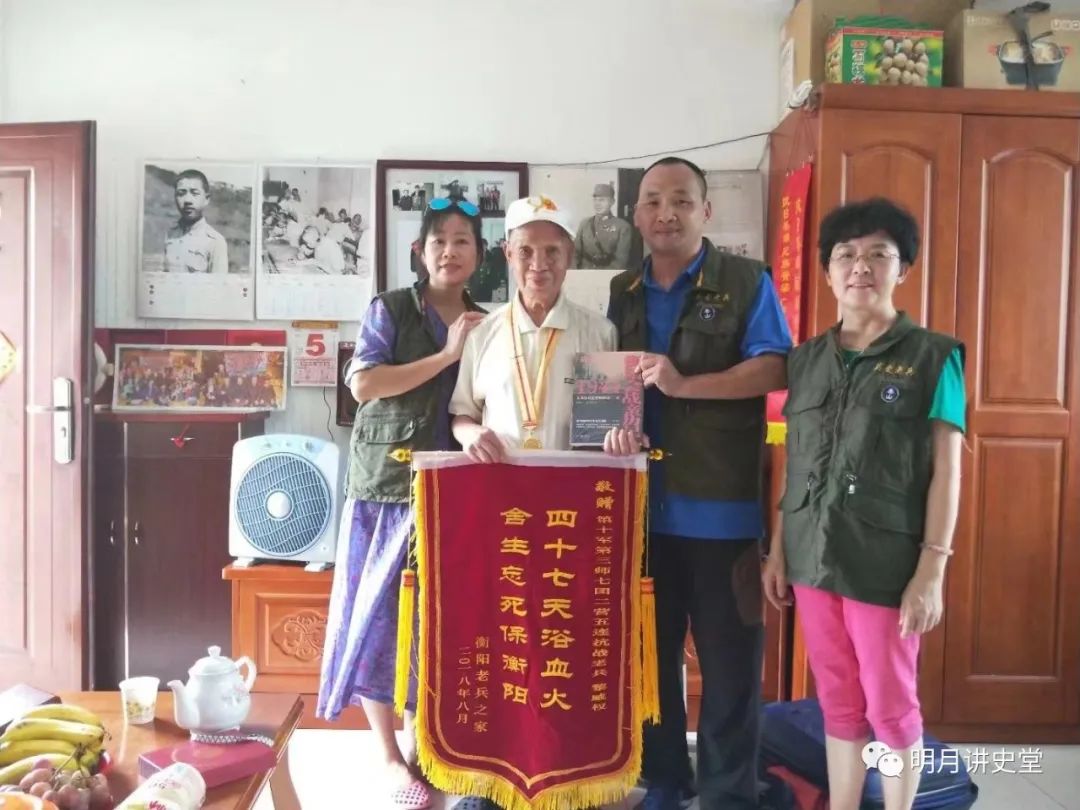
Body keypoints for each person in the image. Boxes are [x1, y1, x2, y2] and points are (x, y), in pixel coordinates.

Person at [762, 198, 965, 810]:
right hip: (811, 557)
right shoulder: (805, 360)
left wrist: (932, 569)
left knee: (891, 703)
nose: (861, 266)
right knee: (839, 700)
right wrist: (779, 551)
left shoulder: (934, 356)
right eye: (846, 254)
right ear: (827, 270)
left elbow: (947, 469)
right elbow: (795, 460)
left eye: (879, 254)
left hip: (884, 562)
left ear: (903, 269)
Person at [605, 157, 791, 810]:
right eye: (654, 200)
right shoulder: (621, 290)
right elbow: (604, 381)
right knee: (651, 659)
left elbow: (774, 366)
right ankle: (664, 780)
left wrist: (686, 385)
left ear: (705, 211)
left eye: (681, 200)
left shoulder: (745, 281)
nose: (667, 213)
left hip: (721, 510)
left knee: (729, 663)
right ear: (636, 214)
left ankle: (727, 793)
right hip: (639, 511)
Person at [317, 197, 487, 810]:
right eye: (439, 240)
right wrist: (445, 357)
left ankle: (424, 749)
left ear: (480, 254)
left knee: (437, 623)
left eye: (463, 240)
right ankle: (388, 757)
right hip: (386, 487)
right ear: (420, 251)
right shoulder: (388, 309)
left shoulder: (489, 321)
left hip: (457, 490)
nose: (450, 251)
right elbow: (364, 384)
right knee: (377, 616)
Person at [450, 194, 617, 460]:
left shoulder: (600, 333)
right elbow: (463, 413)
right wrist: (469, 433)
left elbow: (608, 424)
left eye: (552, 251)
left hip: (573, 482)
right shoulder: (482, 334)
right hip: (501, 480)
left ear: (569, 255)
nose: (538, 265)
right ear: (508, 254)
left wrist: (620, 435)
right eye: (525, 251)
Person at [163, 169, 229, 274]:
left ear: (206, 199)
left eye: (195, 193)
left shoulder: (216, 242)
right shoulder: (171, 234)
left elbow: (219, 283)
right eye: (181, 193)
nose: (187, 200)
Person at [574, 182, 632, 270]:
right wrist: (575, 273)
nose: (597, 204)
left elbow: (620, 261)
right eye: (595, 200)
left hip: (610, 274)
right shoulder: (585, 224)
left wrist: (603, 275)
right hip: (584, 272)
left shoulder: (623, 227)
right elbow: (575, 253)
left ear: (612, 202)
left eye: (602, 200)